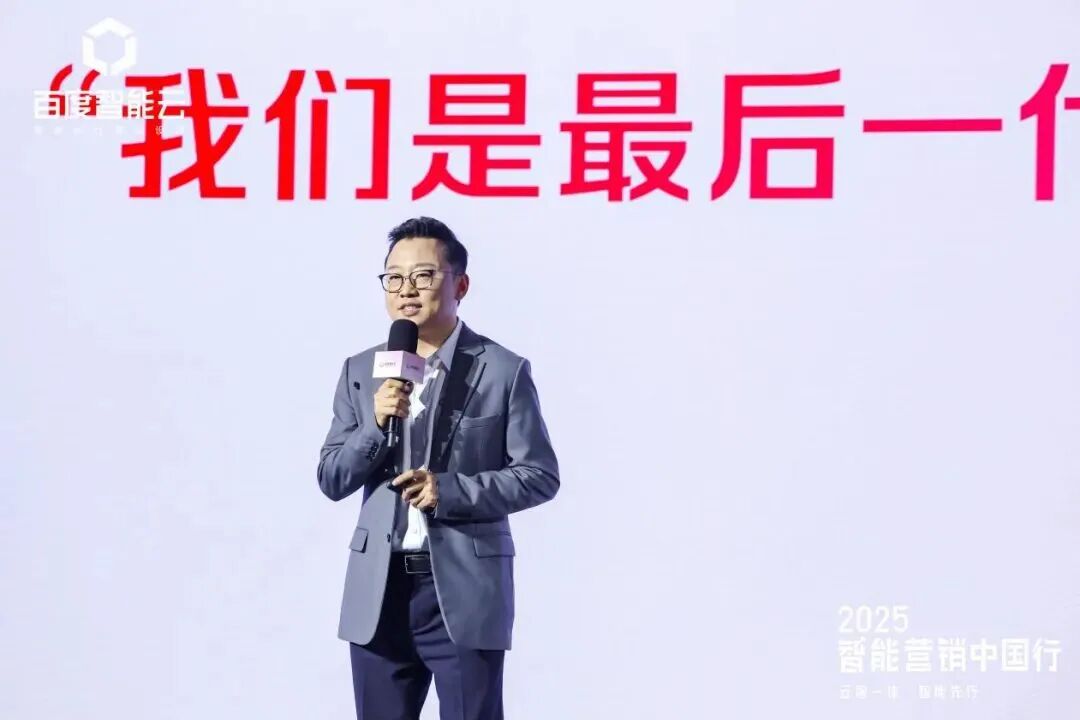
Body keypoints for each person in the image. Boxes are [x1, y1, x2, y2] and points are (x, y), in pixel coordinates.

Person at [317, 216, 560, 720]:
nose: (406, 290)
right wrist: (374, 425)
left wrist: (447, 491)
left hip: (463, 592)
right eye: (394, 278)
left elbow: (538, 475)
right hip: (379, 593)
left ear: (460, 285)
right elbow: (332, 478)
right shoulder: (361, 370)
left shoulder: (502, 370)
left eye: (423, 276)